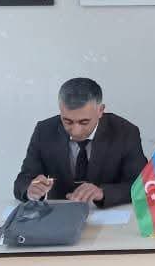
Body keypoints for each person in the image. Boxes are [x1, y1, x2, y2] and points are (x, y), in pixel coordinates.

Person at [13, 77, 147, 208]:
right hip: (61, 213)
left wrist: (103, 193)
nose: (76, 131)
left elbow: (142, 186)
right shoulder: (44, 131)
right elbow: (23, 180)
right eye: (67, 121)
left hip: (107, 212)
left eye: (84, 122)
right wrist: (30, 189)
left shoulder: (126, 132)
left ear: (100, 110)